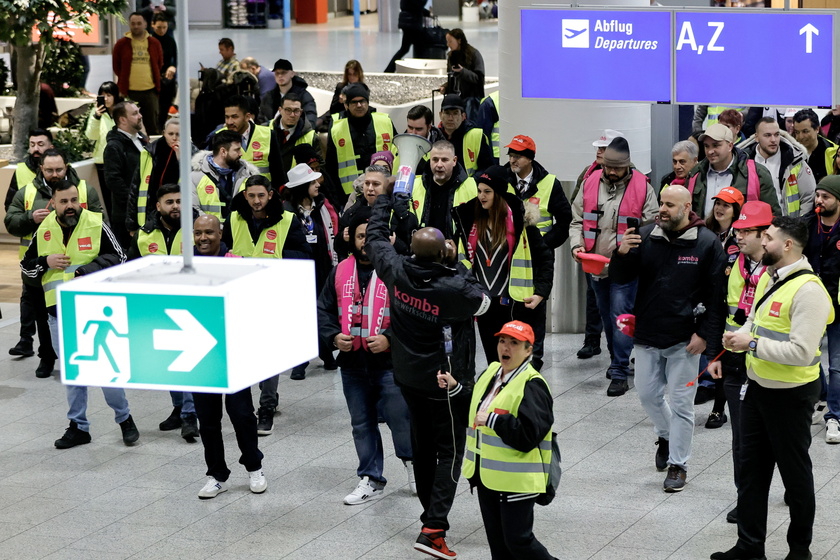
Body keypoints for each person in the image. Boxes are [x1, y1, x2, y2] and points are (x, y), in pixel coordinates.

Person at [366, 192, 490, 560]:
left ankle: (428, 514)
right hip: (446, 383)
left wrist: (385, 202)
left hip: (407, 376)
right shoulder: (452, 286)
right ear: (441, 255)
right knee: (451, 452)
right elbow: (482, 300)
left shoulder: (396, 270)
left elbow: (375, 239)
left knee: (422, 448)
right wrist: (457, 264)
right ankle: (433, 529)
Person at [711, 217, 833, 560]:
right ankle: (749, 547)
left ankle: (799, 551)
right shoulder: (769, 275)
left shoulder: (810, 292)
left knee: (795, 476)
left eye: (768, 237)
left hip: (791, 395)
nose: (762, 242)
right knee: (751, 472)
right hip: (757, 388)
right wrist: (739, 338)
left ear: (788, 245)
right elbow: (755, 320)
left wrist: (751, 345)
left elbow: (800, 352)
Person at [611, 185, 727, 492]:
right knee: (647, 394)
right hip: (648, 332)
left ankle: (679, 465)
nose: (662, 209)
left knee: (681, 404)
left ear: (687, 207)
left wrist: (705, 335)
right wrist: (621, 253)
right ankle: (665, 434)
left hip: (685, 340)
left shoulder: (707, 243)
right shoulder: (647, 236)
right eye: (661, 203)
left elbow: (717, 297)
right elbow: (620, 278)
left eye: (670, 205)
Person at [20, 181, 136, 449]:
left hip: (96, 312)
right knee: (73, 373)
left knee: (106, 371)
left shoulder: (96, 223)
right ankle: (78, 427)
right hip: (59, 314)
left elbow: (119, 257)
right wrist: (44, 263)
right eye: (64, 201)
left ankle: (125, 419)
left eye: (74, 200)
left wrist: (87, 270)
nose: (70, 206)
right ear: (53, 204)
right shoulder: (44, 228)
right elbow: (26, 268)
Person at [317, 206, 415, 505]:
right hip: (352, 365)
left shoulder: (399, 271)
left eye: (370, 237)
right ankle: (371, 478)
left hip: (389, 364)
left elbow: (412, 316)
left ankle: (414, 466)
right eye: (360, 236)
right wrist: (333, 337)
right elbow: (322, 310)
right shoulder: (340, 270)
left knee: (401, 421)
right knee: (361, 423)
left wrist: (389, 340)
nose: (365, 242)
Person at [438, 320, 557, 560]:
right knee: (499, 545)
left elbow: (528, 435)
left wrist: (495, 421)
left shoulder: (532, 385)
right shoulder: (492, 372)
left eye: (515, 343)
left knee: (519, 541)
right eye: (503, 341)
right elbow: (474, 412)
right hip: (486, 477)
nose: (506, 347)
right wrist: (456, 389)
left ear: (528, 350)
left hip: (516, 480)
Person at [569, 136, 659, 396]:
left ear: (628, 166)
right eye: (607, 166)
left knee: (621, 317)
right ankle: (616, 358)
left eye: (617, 168)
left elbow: (652, 226)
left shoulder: (644, 188)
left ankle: (619, 370)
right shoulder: (589, 183)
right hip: (595, 266)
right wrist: (576, 247)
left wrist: (631, 246)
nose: (610, 172)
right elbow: (576, 221)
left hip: (627, 267)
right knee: (607, 315)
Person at [221, 175, 312, 433]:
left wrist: (275, 261)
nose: (256, 201)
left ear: (270, 194)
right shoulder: (235, 218)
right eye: (251, 196)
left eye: (261, 195)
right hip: (239, 296)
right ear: (245, 195)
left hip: (273, 297)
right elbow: (226, 245)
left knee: (269, 355)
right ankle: (253, 401)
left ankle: (267, 407)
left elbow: (304, 255)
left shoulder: (287, 220)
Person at [190, 214, 268, 499]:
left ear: (220, 234)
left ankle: (254, 467)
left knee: (242, 415)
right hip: (200, 357)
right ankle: (216, 474)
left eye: (208, 232)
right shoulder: (186, 268)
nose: (203, 238)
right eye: (198, 233)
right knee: (208, 421)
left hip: (233, 354)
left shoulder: (236, 265)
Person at [5, 149, 101, 379]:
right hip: (41, 273)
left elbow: (99, 222)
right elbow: (10, 222)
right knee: (43, 318)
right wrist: (30, 218)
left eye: (59, 169)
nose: (54, 173)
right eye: (49, 170)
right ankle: (46, 357)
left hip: (80, 273)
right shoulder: (27, 191)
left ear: (66, 167)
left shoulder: (85, 189)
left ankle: (88, 357)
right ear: (41, 169)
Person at [707, 200, 773, 525]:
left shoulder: (780, 270)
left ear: (765, 235)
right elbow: (719, 308)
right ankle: (745, 498)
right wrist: (713, 355)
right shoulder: (731, 260)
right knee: (742, 438)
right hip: (734, 364)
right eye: (739, 230)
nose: (740, 235)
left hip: (772, 368)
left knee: (781, 440)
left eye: (747, 231)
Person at [453, 165, 555, 370]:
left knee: (518, 365)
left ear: (498, 193)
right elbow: (462, 261)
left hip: (515, 304)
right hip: (483, 304)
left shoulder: (521, 223)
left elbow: (545, 260)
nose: (481, 196)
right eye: (479, 191)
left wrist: (541, 293)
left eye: (487, 191)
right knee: (493, 363)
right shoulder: (468, 220)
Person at [126, 183, 199, 442]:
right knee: (170, 362)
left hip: (191, 306)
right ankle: (179, 408)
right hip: (157, 307)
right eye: (169, 202)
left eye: (179, 201)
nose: (176, 206)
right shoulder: (144, 235)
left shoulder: (196, 229)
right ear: (158, 206)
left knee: (187, 361)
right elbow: (131, 270)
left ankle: (190, 415)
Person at [282, 164, 339, 380]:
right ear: (302, 186)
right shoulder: (286, 212)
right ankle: (300, 360)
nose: (318, 185)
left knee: (324, 310)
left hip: (322, 266)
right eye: (313, 182)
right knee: (300, 315)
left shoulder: (322, 206)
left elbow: (331, 233)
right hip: (297, 269)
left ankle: (326, 352)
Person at [571, 129, 625, 361]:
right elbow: (577, 212)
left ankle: (623, 353)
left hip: (623, 256)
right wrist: (578, 244)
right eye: (598, 149)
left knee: (622, 304)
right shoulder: (588, 175)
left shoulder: (637, 180)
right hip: (592, 252)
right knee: (594, 296)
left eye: (604, 149)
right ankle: (593, 340)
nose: (599, 153)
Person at [698, 186, 744, 424]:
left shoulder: (741, 238)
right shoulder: (704, 232)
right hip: (703, 299)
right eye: (717, 203)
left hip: (726, 303)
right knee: (707, 351)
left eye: (726, 205)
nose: (719, 208)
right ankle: (702, 388)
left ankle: (718, 408)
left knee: (723, 356)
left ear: (736, 210)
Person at [802, 176, 840, 444]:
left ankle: (835, 416)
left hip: (839, 306)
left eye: (825, 197)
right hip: (811, 303)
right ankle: (824, 397)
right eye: (818, 195)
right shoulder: (807, 225)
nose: (819, 201)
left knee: (836, 364)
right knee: (809, 356)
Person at [686, 123, 779, 218]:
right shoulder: (695, 173)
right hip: (702, 231)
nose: (710, 151)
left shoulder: (756, 173)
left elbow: (773, 215)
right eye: (706, 146)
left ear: (730, 146)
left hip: (742, 232)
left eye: (716, 145)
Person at [325, 83, 397, 202]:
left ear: (368, 102)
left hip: (384, 190)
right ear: (346, 105)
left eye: (362, 101)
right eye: (354, 102)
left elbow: (397, 154)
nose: (359, 105)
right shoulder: (337, 129)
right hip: (350, 195)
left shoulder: (385, 121)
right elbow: (331, 166)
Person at [738, 117, 816, 217]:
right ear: (756, 137)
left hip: (787, 226)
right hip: (752, 226)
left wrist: (799, 226)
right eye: (767, 135)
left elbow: (809, 197)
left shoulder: (795, 160)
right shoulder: (743, 162)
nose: (773, 140)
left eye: (777, 134)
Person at [406, 140, 477, 241]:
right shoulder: (414, 185)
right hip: (421, 250)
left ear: (454, 161)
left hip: (456, 252)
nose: (439, 165)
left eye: (444, 160)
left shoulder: (472, 186)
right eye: (435, 160)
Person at [128, 118, 185, 233]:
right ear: (164, 133)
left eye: (178, 134)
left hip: (179, 213)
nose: (174, 138)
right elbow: (135, 187)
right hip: (151, 212)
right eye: (170, 134)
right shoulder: (150, 152)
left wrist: (181, 158)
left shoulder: (192, 153)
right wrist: (132, 224)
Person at [103, 101, 148, 249]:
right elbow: (113, 181)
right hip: (125, 217)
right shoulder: (114, 147)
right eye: (135, 114)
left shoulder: (140, 139)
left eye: (139, 112)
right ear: (122, 119)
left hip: (144, 211)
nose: (140, 116)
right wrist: (132, 202)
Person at [190, 129, 258, 223]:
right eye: (237, 150)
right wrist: (215, 228)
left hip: (239, 232)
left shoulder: (248, 175)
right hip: (208, 233)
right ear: (223, 151)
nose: (241, 154)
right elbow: (192, 209)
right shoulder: (195, 177)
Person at [112, 12, 163, 135]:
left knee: (152, 126)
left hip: (150, 91)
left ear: (145, 24)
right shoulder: (121, 44)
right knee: (129, 126)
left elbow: (159, 63)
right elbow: (116, 66)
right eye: (133, 23)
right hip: (129, 92)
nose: (136, 26)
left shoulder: (154, 43)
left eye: (139, 23)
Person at [219, 95, 285, 183]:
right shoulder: (219, 137)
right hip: (233, 194)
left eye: (235, 117)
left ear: (247, 117)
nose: (229, 122)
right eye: (227, 117)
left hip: (262, 193)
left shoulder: (268, 135)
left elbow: (278, 173)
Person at [437, 94, 493, 178]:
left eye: (455, 114)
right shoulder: (435, 136)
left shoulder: (476, 135)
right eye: (447, 113)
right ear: (441, 115)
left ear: (463, 116)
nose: (450, 118)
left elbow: (487, 167)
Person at [439, 28, 485, 120]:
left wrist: (462, 71)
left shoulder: (474, 54)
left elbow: (479, 79)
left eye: (450, 41)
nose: (448, 45)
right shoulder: (451, 56)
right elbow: (452, 78)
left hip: (472, 98)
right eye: (447, 42)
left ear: (459, 40)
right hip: (456, 98)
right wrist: (445, 87)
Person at [4, 129, 53, 212]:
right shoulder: (21, 171)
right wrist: (28, 219)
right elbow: (10, 205)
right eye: (32, 145)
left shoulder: (62, 169)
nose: (36, 149)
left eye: (41, 144)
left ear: (51, 147)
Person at [259, 59, 317, 128]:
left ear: (292, 74)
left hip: (296, 135)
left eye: (283, 72)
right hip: (270, 135)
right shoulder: (269, 96)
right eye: (277, 73)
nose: (280, 76)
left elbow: (310, 120)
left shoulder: (304, 96)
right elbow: (261, 118)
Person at [274, 93, 322, 172]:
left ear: (301, 112)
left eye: (296, 111)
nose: (292, 115)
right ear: (280, 110)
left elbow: (319, 168)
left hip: (297, 183)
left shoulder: (312, 137)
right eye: (288, 110)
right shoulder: (266, 130)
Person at [793, 109, 839, 185]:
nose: (800, 137)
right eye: (797, 132)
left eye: (805, 131)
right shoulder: (790, 151)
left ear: (817, 129)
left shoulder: (834, 152)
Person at [384, 1, 430, 73]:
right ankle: (389, 69)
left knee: (409, 48)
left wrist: (426, 12)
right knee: (413, 48)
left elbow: (412, 6)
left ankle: (390, 69)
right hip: (411, 23)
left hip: (409, 21)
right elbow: (418, 5)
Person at [150, 13, 177, 129]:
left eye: (164, 27)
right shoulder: (149, 40)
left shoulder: (170, 41)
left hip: (167, 79)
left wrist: (173, 67)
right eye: (159, 27)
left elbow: (175, 59)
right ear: (152, 25)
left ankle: (161, 128)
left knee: (165, 106)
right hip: (152, 79)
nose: (162, 30)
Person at [476, 91, 500, 163]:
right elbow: (482, 137)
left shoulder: (490, 101)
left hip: (499, 155)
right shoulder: (491, 102)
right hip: (496, 157)